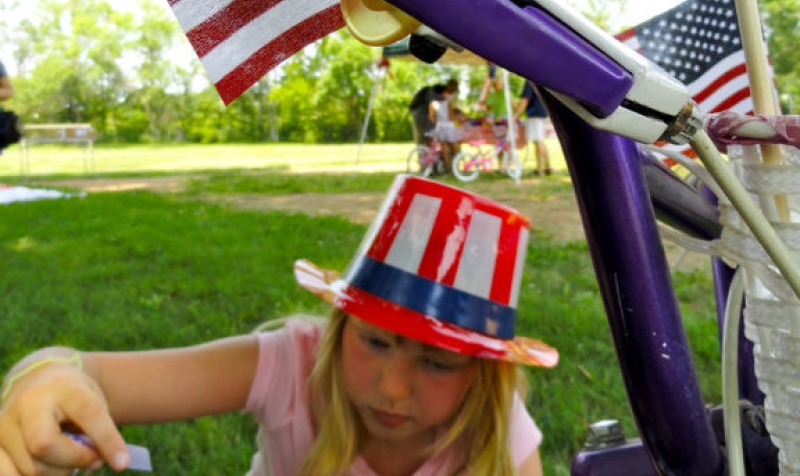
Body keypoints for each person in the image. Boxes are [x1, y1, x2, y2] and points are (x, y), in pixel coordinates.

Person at [0, 175, 558, 475]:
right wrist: (47, 375)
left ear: (483, 374)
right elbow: (85, 370)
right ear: (339, 326)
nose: (391, 388)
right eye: (374, 340)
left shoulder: (493, 426)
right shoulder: (292, 363)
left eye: (437, 361)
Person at [514, 81, 551, 176]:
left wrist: (516, 116)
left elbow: (525, 100)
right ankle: (547, 166)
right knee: (540, 140)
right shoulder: (538, 80)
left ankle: (540, 169)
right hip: (543, 112)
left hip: (534, 114)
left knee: (537, 141)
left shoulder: (529, 82)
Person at [428, 79, 461, 174]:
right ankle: (457, 169)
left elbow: (431, 118)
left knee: (444, 149)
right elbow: (452, 116)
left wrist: (437, 121)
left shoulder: (432, 103)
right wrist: (458, 123)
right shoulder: (448, 102)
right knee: (454, 148)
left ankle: (448, 171)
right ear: (443, 92)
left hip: (440, 126)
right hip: (449, 126)